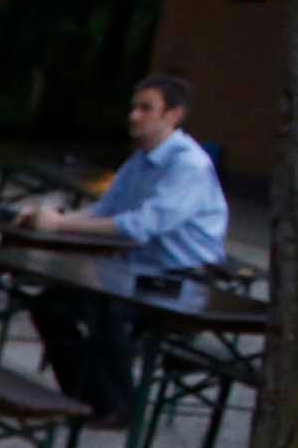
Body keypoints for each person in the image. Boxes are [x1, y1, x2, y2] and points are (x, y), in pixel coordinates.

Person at [12, 72, 230, 418]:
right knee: (53, 305)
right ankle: (84, 397)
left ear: (173, 115)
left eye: (146, 108)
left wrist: (60, 224)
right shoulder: (140, 160)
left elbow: (140, 227)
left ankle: (117, 407)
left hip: (184, 278)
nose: (134, 116)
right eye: (134, 107)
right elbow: (105, 211)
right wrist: (55, 218)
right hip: (139, 270)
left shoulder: (189, 165)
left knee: (109, 307)